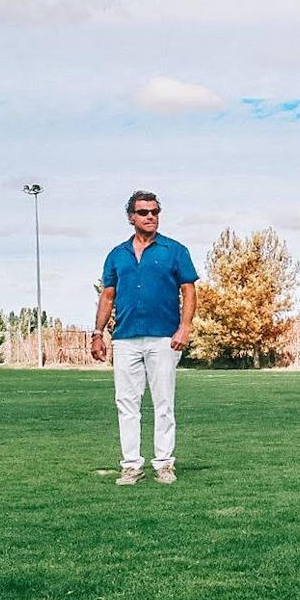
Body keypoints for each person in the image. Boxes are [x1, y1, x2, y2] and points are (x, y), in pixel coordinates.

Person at [92, 191, 199, 486]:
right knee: (126, 403)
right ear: (131, 217)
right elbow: (108, 295)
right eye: (143, 212)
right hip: (125, 339)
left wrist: (185, 327)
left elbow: (189, 290)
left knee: (164, 402)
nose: (150, 216)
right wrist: (97, 334)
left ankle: (164, 463)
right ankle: (131, 466)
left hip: (163, 338)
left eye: (154, 211)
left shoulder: (175, 250)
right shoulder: (116, 255)